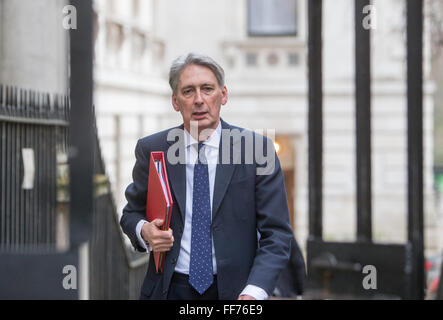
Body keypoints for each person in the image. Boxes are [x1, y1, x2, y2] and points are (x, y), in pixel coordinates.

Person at [120, 53, 293, 300]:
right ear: (175, 101)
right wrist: (144, 230)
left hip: (237, 293)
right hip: (170, 290)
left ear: (223, 95)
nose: (199, 100)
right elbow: (130, 213)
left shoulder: (258, 151)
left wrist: (254, 292)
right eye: (188, 91)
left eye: (207, 89)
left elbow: (276, 235)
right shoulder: (153, 149)